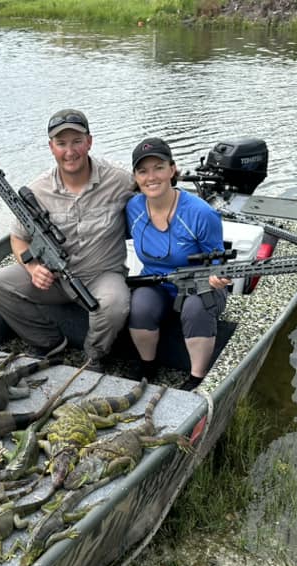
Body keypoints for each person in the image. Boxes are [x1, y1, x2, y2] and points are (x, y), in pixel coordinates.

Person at [0, 109, 136, 372]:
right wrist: (33, 268)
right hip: (53, 280)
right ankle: (50, 343)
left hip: (101, 275)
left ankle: (94, 357)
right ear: (51, 147)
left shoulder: (119, 179)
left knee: (115, 304)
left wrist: (171, 179)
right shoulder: (38, 190)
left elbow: (155, 189)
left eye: (77, 142)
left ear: (89, 142)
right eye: (61, 143)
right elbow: (18, 238)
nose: (70, 151)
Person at [125, 137, 230, 391]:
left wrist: (217, 277)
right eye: (143, 171)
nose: (151, 177)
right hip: (157, 283)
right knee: (139, 306)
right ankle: (148, 365)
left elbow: (217, 261)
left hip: (200, 285)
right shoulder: (133, 208)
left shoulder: (201, 213)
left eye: (159, 168)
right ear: (136, 177)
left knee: (196, 307)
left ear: (172, 170)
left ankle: (196, 377)